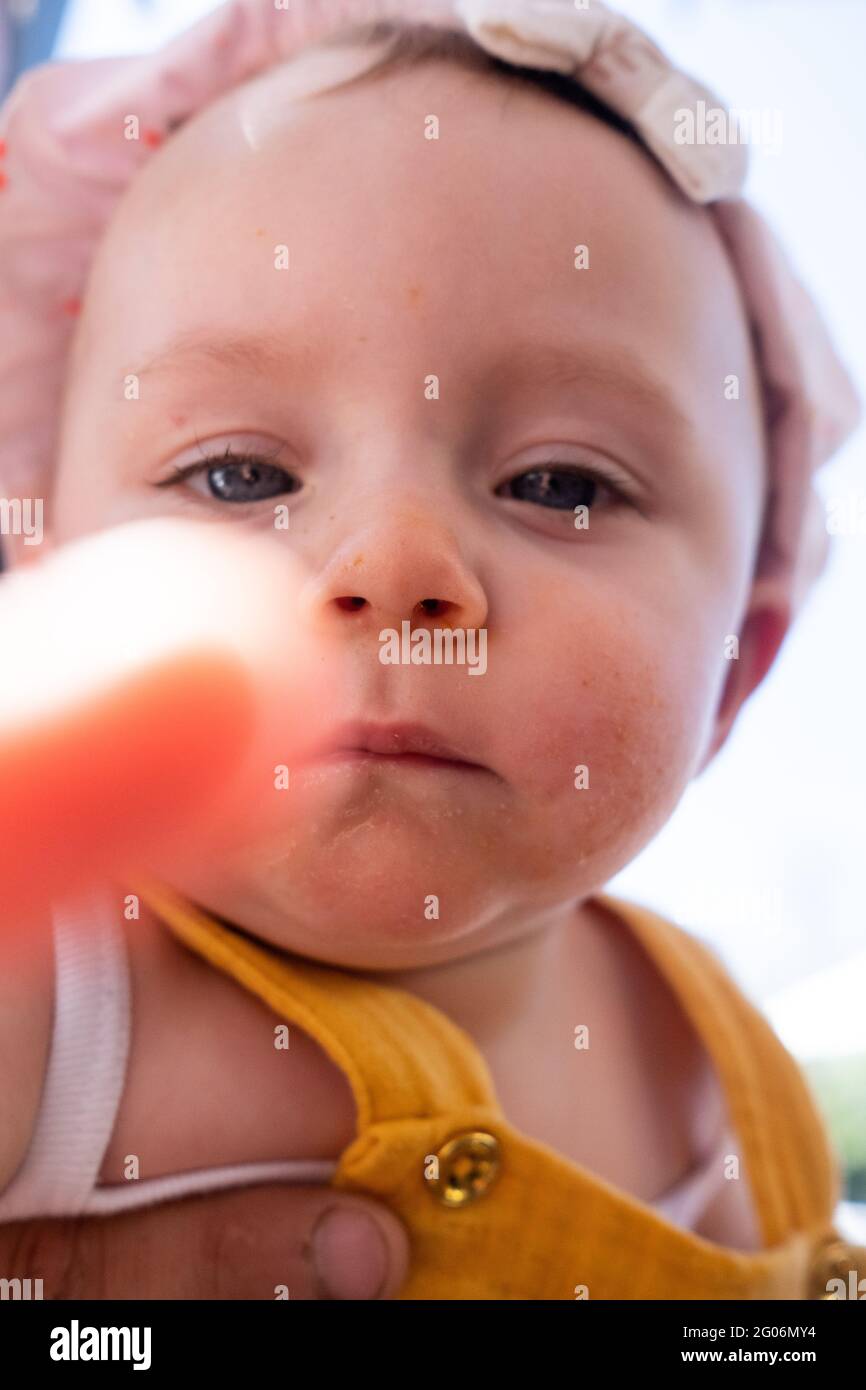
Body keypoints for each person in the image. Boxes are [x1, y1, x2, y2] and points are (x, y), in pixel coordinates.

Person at [0, 0, 862, 1299]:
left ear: (737, 659)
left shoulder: (729, 1068)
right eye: (237, 473)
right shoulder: (54, 990)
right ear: (49, 577)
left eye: (562, 485)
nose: (391, 565)